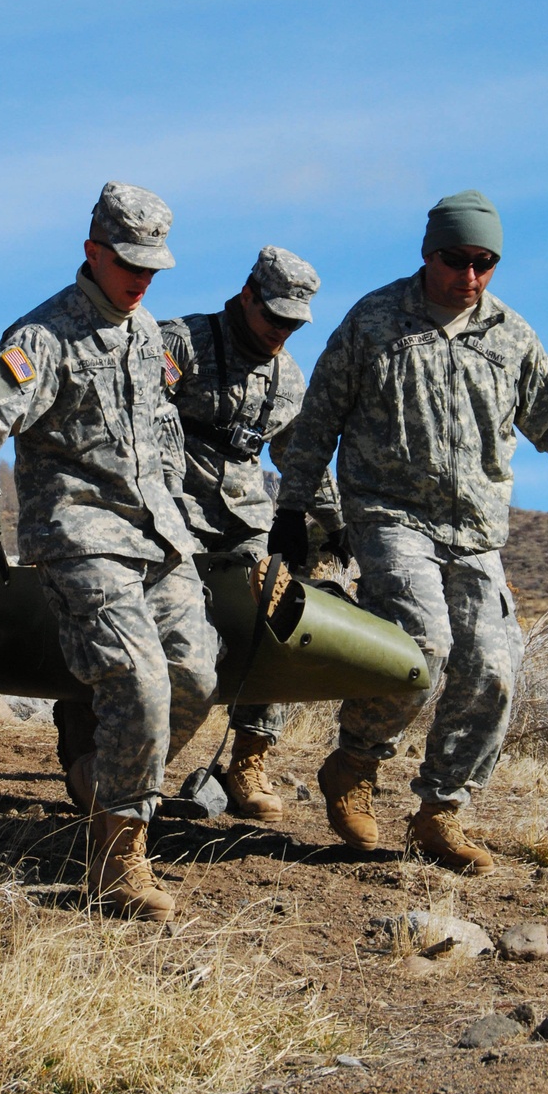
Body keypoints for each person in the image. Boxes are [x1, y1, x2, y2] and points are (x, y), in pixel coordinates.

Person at [270, 189, 548, 874]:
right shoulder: (375, 321)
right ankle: (355, 763)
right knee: (423, 643)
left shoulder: (511, 336)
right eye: (457, 258)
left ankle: (439, 813)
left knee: (495, 668)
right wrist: (292, 508)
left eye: (485, 262)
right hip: (391, 518)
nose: (470, 275)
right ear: (430, 254)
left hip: (476, 531)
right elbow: (318, 419)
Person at [0, 182, 219, 922]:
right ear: (92, 253)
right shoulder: (41, 338)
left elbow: (166, 441)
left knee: (197, 675)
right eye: (127, 263)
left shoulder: (150, 338)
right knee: (141, 682)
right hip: (81, 541)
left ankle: (95, 772)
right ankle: (117, 859)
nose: (141, 279)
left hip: (159, 538)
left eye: (153, 267)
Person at [157, 246, 346, 821]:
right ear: (247, 296)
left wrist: (335, 521)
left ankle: (249, 760)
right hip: (171, 510)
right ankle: (116, 754)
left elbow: (299, 453)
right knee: (165, 631)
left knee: (276, 617)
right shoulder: (179, 343)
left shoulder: (287, 376)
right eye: (273, 318)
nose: (280, 333)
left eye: (293, 325)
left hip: (244, 519)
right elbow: (136, 419)